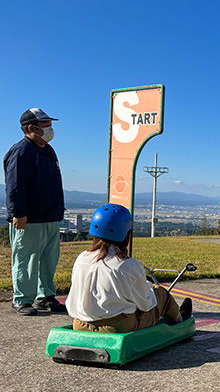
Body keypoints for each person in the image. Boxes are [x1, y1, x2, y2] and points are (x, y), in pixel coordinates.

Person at [66, 203, 192, 333]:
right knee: (161, 294)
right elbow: (146, 303)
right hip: (117, 326)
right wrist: (151, 289)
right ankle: (180, 320)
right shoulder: (128, 265)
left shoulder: (81, 258)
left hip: (80, 323)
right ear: (126, 234)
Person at [4, 108, 66, 316]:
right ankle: (22, 299)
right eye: (45, 125)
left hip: (50, 216)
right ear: (31, 128)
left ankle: (45, 297)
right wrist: (18, 213)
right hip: (29, 219)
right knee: (26, 260)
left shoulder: (48, 150)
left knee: (48, 260)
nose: (50, 129)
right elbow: (15, 186)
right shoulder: (21, 151)